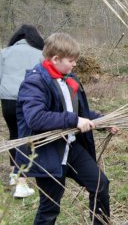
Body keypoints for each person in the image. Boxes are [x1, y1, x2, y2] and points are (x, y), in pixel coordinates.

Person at [14, 33, 117, 224]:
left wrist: (102, 122)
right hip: (45, 152)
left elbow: (78, 112)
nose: (75, 64)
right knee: (50, 207)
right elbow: (35, 118)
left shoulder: (68, 78)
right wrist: (74, 120)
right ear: (55, 59)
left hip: (70, 147)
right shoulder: (34, 82)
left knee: (100, 184)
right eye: (71, 60)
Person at [0, 24, 44, 198]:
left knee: (14, 134)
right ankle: (23, 179)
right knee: (27, 137)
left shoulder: (5, 52)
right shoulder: (40, 54)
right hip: (30, 99)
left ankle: (14, 173)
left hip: (7, 100)